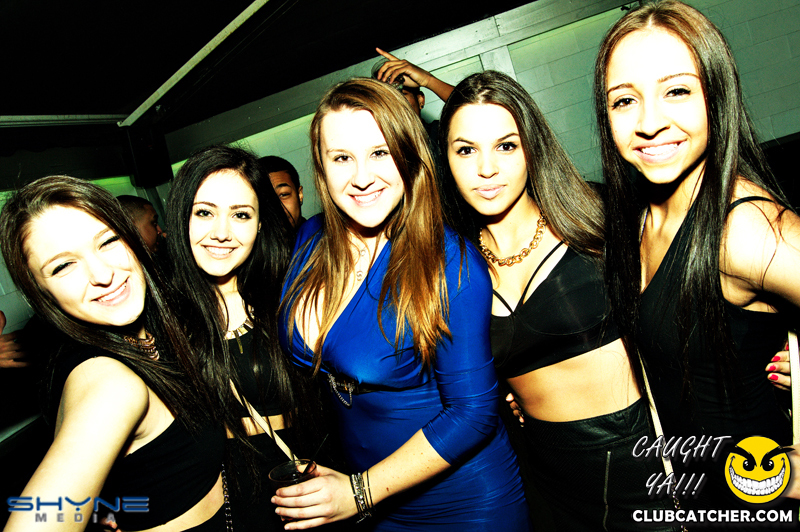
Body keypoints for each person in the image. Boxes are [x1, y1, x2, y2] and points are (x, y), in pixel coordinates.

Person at [276, 78, 530, 530]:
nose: (361, 177)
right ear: (321, 166)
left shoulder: (449, 262)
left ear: (409, 155)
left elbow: (473, 413)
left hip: (464, 504)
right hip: (369, 500)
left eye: (380, 153)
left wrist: (359, 493)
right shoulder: (310, 239)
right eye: (342, 158)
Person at [438, 70, 675, 531]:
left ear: (532, 147)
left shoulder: (598, 220)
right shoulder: (454, 269)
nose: (486, 169)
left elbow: (693, 303)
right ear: (446, 159)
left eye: (506, 146)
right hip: (548, 480)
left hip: (644, 458)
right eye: (466, 150)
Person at [596, 0, 800, 515]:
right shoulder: (640, 215)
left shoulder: (744, 228)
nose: (649, 122)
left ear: (716, 94)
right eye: (625, 100)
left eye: (678, 91)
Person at [0, 175, 228, 531]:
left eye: (107, 241)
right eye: (63, 266)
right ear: (41, 293)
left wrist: (102, 510)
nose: (103, 274)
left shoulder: (150, 331)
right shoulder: (110, 384)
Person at [167, 146, 325, 532]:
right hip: (224, 493)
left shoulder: (293, 294)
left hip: (313, 476)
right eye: (204, 212)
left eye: (240, 215)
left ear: (259, 224)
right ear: (180, 217)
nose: (222, 232)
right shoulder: (161, 316)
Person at [373, 48, 454, 175]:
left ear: (420, 100)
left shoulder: (441, 134)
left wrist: (428, 80)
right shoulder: (383, 149)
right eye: (389, 98)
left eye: (402, 94)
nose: (398, 102)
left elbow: (476, 107)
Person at [257, 155, 306, 228]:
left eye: (283, 194)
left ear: (299, 195)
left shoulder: (320, 232)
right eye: (265, 199)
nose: (276, 206)